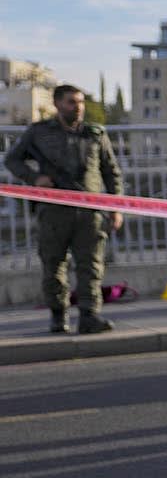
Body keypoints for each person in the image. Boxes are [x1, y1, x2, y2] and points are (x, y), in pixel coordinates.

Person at [4, 84, 123, 334]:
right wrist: (34, 178)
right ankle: (58, 316)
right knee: (53, 264)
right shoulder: (39, 133)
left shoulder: (95, 134)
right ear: (57, 104)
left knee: (90, 265)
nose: (77, 107)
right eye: (71, 102)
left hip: (89, 211)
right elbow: (12, 159)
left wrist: (116, 207)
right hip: (54, 210)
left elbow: (111, 172)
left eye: (80, 102)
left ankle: (90, 316)